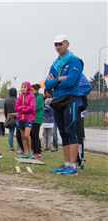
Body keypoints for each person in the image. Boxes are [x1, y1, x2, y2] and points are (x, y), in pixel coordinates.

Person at [45, 35, 83, 176]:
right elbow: (47, 84)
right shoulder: (56, 63)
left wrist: (54, 80)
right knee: (62, 133)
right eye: (55, 45)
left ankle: (73, 166)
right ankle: (66, 164)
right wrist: (59, 79)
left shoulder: (75, 61)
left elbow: (70, 82)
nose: (58, 47)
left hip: (71, 99)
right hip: (58, 101)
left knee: (71, 132)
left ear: (67, 44)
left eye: (60, 44)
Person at [15, 81, 35, 159]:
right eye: (22, 87)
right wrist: (24, 108)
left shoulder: (31, 97)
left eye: (25, 87)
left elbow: (32, 107)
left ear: (28, 88)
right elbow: (16, 108)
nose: (23, 89)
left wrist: (22, 110)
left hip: (29, 119)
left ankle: (30, 152)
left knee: (27, 135)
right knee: (23, 136)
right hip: (20, 119)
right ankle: (25, 152)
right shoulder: (19, 98)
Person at [76, 73, 92, 169]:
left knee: (78, 134)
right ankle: (70, 160)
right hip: (66, 107)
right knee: (68, 134)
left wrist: (74, 94)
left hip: (77, 108)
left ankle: (80, 159)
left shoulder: (78, 74)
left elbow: (86, 87)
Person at [4, 87, 20, 152]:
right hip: (17, 118)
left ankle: (11, 148)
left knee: (11, 133)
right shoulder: (17, 100)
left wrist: (7, 118)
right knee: (18, 133)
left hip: (10, 118)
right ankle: (19, 147)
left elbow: (5, 110)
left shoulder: (6, 100)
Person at [30, 84, 44, 158]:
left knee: (35, 135)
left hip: (36, 119)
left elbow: (33, 107)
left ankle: (38, 152)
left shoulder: (38, 98)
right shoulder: (32, 97)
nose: (31, 92)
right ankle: (34, 151)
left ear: (36, 90)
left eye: (32, 90)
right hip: (31, 119)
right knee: (32, 135)